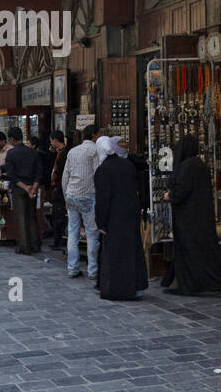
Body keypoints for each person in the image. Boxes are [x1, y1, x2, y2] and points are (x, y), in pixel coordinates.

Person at [165, 136, 221, 297]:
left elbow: (181, 192)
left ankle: (211, 283)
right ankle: (187, 282)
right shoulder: (200, 165)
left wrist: (169, 195)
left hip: (189, 220)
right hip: (202, 217)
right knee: (206, 252)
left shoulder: (186, 167)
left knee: (192, 253)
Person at [93, 135, 149, 301]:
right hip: (130, 214)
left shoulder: (103, 170)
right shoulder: (127, 165)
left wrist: (100, 222)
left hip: (114, 218)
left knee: (116, 255)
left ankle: (118, 288)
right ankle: (136, 287)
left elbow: (103, 199)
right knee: (132, 251)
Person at [61, 124, 100, 280]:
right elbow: (98, 174)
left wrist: (66, 196)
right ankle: (93, 270)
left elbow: (65, 176)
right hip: (88, 195)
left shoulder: (72, 151)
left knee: (72, 232)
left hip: (71, 194)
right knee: (91, 233)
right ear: (93, 136)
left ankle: (72, 268)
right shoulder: (94, 151)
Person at [1, 126, 41, 256]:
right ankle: (35, 244)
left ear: (12, 139)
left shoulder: (11, 153)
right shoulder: (32, 152)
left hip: (19, 189)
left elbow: (11, 175)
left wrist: (25, 187)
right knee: (31, 216)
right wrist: (32, 188)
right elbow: (38, 172)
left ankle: (24, 246)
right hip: (32, 188)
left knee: (21, 218)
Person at [48, 130, 68, 251]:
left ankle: (59, 240)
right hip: (58, 186)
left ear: (55, 140)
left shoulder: (65, 154)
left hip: (60, 188)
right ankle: (58, 239)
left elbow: (61, 172)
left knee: (59, 215)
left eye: (51, 140)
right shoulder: (59, 153)